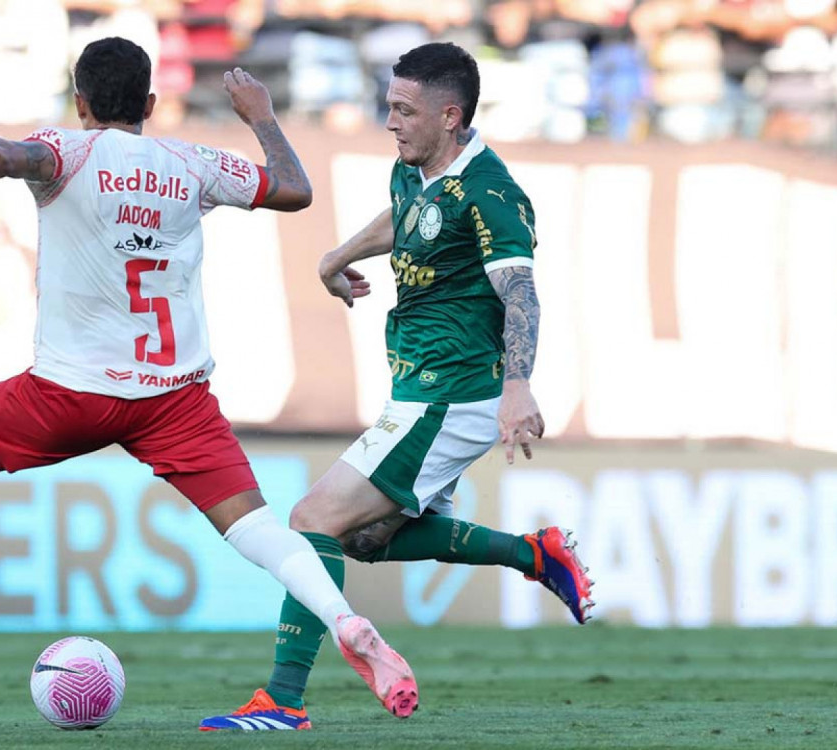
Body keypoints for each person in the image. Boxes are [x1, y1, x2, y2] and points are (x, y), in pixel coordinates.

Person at [0, 36, 418, 721]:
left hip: (70, 392)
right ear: (151, 104)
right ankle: (344, 620)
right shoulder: (192, 163)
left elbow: (3, 158)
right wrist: (259, 115)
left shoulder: (67, 152)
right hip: (174, 399)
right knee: (255, 524)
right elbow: (294, 190)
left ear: (79, 103)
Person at [200, 41, 595, 732]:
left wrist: (519, 385)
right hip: (415, 389)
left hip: (453, 395)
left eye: (403, 110)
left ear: (450, 115)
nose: (390, 121)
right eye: (389, 106)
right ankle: (535, 554)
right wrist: (338, 254)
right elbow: (405, 216)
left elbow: (521, 291)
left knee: (311, 521)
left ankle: (283, 702)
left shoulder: (491, 191)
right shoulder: (414, 167)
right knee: (365, 539)